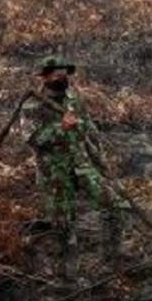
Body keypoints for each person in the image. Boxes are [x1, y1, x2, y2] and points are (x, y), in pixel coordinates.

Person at [27, 56, 125, 275]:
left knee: (115, 205)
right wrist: (60, 128)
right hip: (55, 172)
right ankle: (67, 271)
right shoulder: (34, 103)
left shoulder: (74, 99)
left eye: (65, 74)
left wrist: (100, 161)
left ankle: (112, 259)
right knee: (63, 223)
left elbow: (88, 131)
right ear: (44, 77)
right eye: (57, 74)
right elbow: (33, 139)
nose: (62, 78)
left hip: (82, 165)